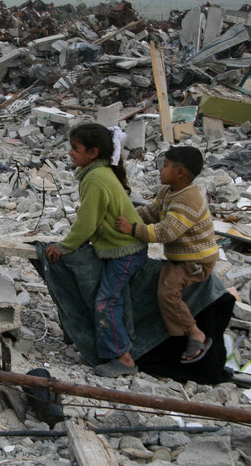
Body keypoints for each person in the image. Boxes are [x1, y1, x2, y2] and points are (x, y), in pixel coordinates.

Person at [45, 123, 147, 377]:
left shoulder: (96, 178)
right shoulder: (96, 174)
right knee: (113, 297)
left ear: (92, 153)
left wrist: (65, 246)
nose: (70, 153)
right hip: (118, 249)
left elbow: (87, 221)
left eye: (75, 148)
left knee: (106, 301)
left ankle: (123, 358)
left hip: (125, 251)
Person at [116, 146, 219, 364]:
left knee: (168, 291)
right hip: (180, 257)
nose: (160, 170)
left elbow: (167, 232)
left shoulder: (188, 199)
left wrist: (133, 230)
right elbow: (149, 213)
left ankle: (193, 332)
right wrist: (125, 216)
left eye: (165, 166)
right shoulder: (167, 191)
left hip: (196, 260)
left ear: (180, 172)